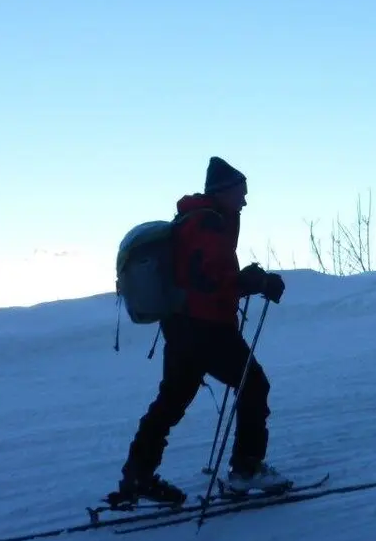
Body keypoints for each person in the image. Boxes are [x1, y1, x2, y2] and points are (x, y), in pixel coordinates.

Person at [114, 157, 288, 506]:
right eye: (241, 193)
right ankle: (246, 470)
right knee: (253, 385)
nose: (244, 201)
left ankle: (138, 476)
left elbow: (203, 278)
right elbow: (209, 281)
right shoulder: (208, 226)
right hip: (206, 327)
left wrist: (245, 282)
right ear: (224, 192)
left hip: (180, 326)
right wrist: (253, 282)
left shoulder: (195, 221)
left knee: (171, 401)